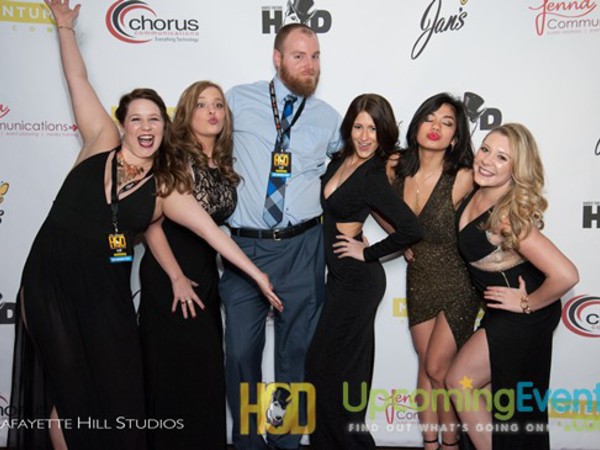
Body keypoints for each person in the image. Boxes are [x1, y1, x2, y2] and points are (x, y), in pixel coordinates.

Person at [8, 2, 280, 449]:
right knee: (69, 390)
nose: (145, 126)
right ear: (123, 123)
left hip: (106, 295)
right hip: (49, 281)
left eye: (154, 118)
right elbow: (78, 79)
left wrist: (257, 275)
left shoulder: (165, 188)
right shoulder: (100, 140)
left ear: (164, 128)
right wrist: (64, 28)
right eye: (136, 118)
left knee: (120, 394)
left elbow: (212, 234)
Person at [220, 23, 341, 450]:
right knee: (240, 353)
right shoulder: (237, 100)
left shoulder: (329, 118)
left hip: (303, 247)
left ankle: (286, 441)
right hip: (244, 248)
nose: (310, 65)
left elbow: (353, 169)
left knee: (297, 353)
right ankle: (248, 442)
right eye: (299, 56)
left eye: (316, 56)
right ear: (277, 58)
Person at [446, 123, 579, 450]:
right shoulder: (477, 189)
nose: (487, 160)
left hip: (524, 316)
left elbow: (566, 274)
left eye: (502, 157)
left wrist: (526, 303)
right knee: (495, 401)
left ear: (516, 169)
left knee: (460, 382)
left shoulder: (506, 217)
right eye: (485, 149)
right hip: (502, 313)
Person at [305, 94, 423, 449]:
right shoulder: (340, 161)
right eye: (358, 127)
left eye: (373, 129)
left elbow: (411, 228)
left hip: (359, 283)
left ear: (383, 132)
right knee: (326, 368)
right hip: (339, 278)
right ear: (349, 128)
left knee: (342, 370)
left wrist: (368, 252)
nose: (365, 136)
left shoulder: (373, 175)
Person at [138, 81, 237, 450]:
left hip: (205, 273)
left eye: (218, 105)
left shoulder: (221, 161)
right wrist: (176, 276)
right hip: (170, 273)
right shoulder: (175, 157)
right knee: (172, 371)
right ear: (186, 112)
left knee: (205, 371)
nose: (212, 112)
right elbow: (150, 223)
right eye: (202, 105)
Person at [387, 93, 481, 449]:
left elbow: (500, 199)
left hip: (459, 281)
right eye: (430, 118)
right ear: (416, 125)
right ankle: (431, 444)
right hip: (419, 278)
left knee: (440, 367)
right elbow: (373, 201)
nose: (436, 127)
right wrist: (399, 239)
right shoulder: (395, 167)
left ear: (455, 137)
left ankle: (450, 443)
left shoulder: (464, 176)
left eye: (447, 123)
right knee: (427, 366)